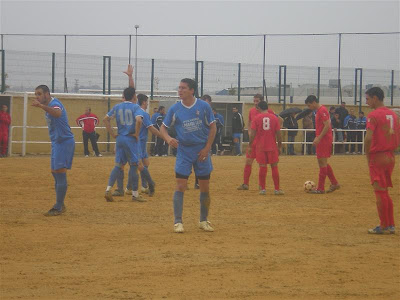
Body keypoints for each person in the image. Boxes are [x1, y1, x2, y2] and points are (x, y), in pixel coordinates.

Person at [160, 78, 216, 233]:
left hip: (201, 151)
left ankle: (203, 220)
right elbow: (163, 128)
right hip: (184, 151)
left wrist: (207, 148)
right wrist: (169, 138)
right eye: (179, 88)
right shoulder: (174, 109)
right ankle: (178, 222)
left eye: (183, 88)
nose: (180, 90)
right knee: (180, 185)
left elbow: (213, 128)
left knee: (204, 187)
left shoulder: (204, 106)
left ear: (192, 90)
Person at [32, 85, 75, 216]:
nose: (37, 97)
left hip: (64, 142)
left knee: (60, 172)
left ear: (47, 94)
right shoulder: (49, 106)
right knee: (55, 172)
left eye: (39, 94)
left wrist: (41, 106)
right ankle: (60, 203)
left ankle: (58, 206)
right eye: (36, 95)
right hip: (57, 143)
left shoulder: (55, 103)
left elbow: (57, 113)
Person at [103, 87, 149, 203]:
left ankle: (108, 189)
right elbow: (139, 120)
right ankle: (135, 194)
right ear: (134, 96)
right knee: (134, 166)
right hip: (130, 138)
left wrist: (113, 134)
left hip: (120, 138)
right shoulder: (135, 107)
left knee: (118, 165)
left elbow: (105, 119)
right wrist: (137, 134)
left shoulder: (117, 106)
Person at [364, 87, 400, 234]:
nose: (366, 102)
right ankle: (390, 224)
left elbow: (368, 138)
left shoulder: (373, 115)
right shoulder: (393, 114)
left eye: (367, 99)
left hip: (377, 156)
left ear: (375, 98)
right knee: (385, 191)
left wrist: (367, 155)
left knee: (380, 192)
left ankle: (384, 225)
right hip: (390, 156)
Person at [305, 95, 340, 194]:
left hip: (324, 139)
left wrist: (319, 137)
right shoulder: (320, 110)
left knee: (322, 163)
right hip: (323, 139)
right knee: (323, 162)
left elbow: (327, 126)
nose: (309, 107)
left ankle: (321, 188)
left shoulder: (322, 110)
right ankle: (334, 183)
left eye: (309, 105)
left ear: (313, 102)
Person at [249, 101, 284, 195]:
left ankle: (263, 189)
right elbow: (279, 134)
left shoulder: (256, 118)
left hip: (260, 147)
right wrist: (279, 146)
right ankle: (276, 189)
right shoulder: (274, 118)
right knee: (274, 166)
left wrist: (250, 145)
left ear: (259, 108)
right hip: (272, 146)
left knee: (262, 167)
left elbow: (252, 134)